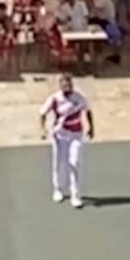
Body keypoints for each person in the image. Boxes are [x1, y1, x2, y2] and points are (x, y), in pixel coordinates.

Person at [38, 72, 93, 210]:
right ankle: (59, 189)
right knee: (59, 163)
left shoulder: (79, 98)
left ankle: (76, 195)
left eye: (69, 84)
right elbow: (42, 113)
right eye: (64, 84)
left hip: (76, 135)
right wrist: (42, 129)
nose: (67, 87)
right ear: (61, 85)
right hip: (60, 135)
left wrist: (91, 128)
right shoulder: (54, 99)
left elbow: (88, 111)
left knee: (74, 163)